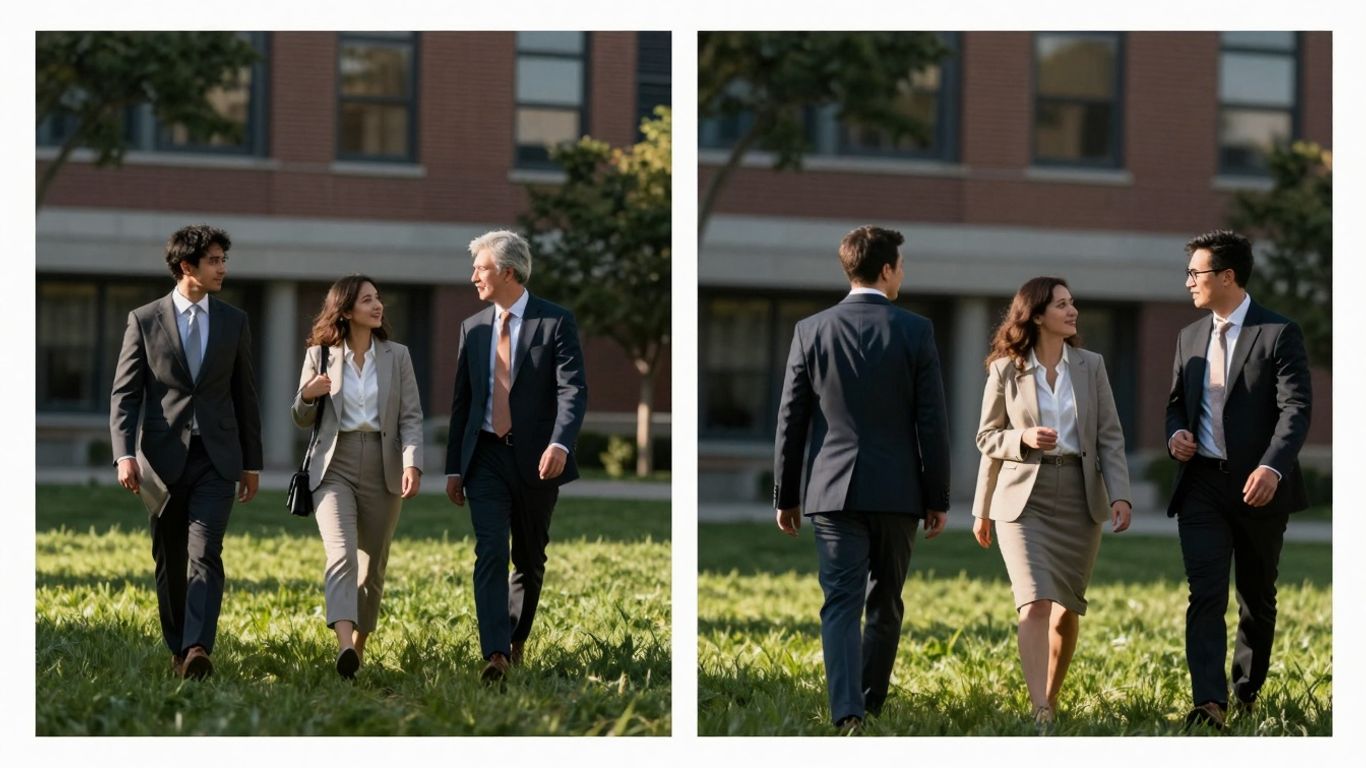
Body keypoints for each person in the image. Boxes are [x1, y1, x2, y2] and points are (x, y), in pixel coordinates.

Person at [773, 225, 952, 734]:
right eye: (902, 266)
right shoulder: (916, 330)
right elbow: (932, 421)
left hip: (830, 490)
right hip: (899, 491)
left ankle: (847, 711)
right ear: (889, 269)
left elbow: (792, 419)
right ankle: (869, 702)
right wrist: (937, 495)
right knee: (886, 600)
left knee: (840, 602)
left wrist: (787, 495)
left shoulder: (811, 330)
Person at [969, 276, 1132, 729]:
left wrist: (1120, 493)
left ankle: (1051, 700)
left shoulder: (1091, 365)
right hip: (1024, 500)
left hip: (1080, 500)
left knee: (1067, 609)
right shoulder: (1006, 369)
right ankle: (1039, 707)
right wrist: (1021, 439)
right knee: (1035, 601)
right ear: (1037, 314)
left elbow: (1110, 438)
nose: (1072, 310)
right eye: (1062, 304)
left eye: (1072, 302)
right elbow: (986, 438)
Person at [1166, 230, 1311, 730]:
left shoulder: (1278, 332)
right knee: (1205, 593)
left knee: (1257, 596)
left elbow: (1296, 409)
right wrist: (1176, 435)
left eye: (1196, 273)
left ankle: (1245, 691)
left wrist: (1273, 466)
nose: (1189, 282)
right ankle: (1209, 703)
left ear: (1227, 276)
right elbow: (1176, 407)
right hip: (1202, 483)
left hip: (1259, 486)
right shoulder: (1188, 337)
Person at [109, 224, 263, 679]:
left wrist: (251, 462)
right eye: (213, 261)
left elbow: (245, 395)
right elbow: (125, 394)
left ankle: (198, 648)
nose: (223, 268)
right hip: (161, 461)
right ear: (186, 267)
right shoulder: (144, 319)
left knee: (206, 551)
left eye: (223, 260)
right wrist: (124, 454)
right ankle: (177, 647)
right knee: (169, 556)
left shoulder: (235, 321)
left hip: (217, 457)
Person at [444, 230, 587, 683]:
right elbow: (461, 403)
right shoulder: (474, 328)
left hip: (537, 459)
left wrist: (560, 443)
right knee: (489, 551)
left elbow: (573, 389)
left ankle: (515, 637)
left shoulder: (555, 321)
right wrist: (454, 466)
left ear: (507, 271)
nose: (473, 278)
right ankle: (496, 654)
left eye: (480, 269)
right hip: (484, 455)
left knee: (529, 558)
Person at [292, 275, 424, 678]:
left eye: (378, 298)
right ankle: (344, 646)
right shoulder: (319, 355)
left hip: (383, 463)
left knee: (372, 566)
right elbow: (300, 417)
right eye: (367, 300)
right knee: (342, 555)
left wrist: (412, 462)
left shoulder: (397, 356)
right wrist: (309, 393)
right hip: (335, 464)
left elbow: (411, 416)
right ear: (346, 310)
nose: (377, 304)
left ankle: (359, 650)